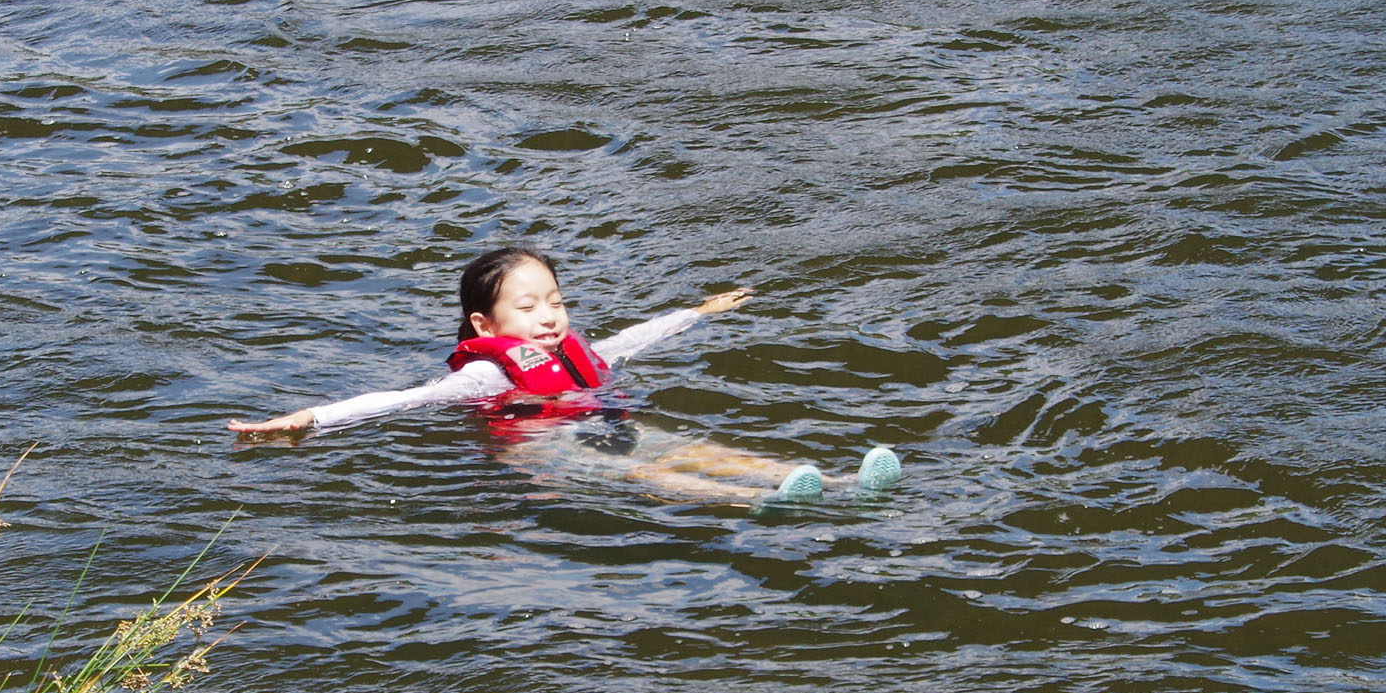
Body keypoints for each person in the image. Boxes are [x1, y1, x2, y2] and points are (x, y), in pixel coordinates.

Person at [227, 246, 903, 504]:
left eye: (555, 301)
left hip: (604, 427)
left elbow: (631, 341)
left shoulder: (570, 354)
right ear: (485, 328)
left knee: (702, 450)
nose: (549, 317)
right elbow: (399, 401)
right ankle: (758, 501)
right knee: (649, 475)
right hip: (544, 453)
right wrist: (312, 419)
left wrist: (696, 311)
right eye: (528, 307)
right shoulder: (484, 379)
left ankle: (838, 483)